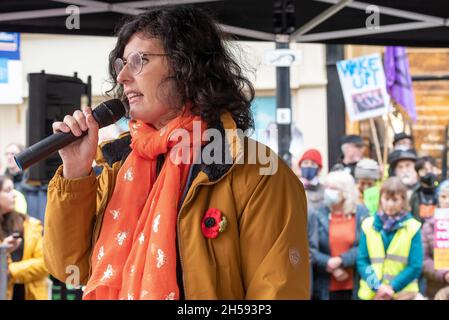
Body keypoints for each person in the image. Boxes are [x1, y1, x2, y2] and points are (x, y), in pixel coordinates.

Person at [43, 6, 310, 300]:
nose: (122, 77)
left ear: (187, 66)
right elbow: (68, 267)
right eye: (121, 64)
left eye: (138, 61)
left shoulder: (257, 172)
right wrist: (76, 172)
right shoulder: (118, 166)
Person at [356, 177, 423, 300]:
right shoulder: (367, 224)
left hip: (403, 294)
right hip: (372, 294)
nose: (390, 204)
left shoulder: (413, 227)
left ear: (403, 200)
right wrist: (377, 287)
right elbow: (362, 261)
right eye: (386, 199)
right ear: (380, 199)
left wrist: (391, 288)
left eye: (395, 200)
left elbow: (415, 265)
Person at [308, 170, 369, 300]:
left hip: (355, 284)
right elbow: (310, 249)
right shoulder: (318, 214)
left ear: (345, 192)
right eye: (327, 187)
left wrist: (341, 260)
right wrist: (329, 264)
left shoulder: (361, 214)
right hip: (325, 286)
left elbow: (366, 245)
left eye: (333, 188)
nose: (328, 192)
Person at [0, 175, 49, 300]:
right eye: (8, 190)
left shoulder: (31, 225)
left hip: (32, 295)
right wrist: (3, 251)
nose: (14, 194)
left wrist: (11, 271)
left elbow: (44, 264)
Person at [421, 179, 449, 299]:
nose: (447, 201)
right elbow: (424, 260)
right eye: (443, 196)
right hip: (435, 290)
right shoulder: (428, 226)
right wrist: (445, 274)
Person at [410, 156, 439, 222]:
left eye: (431, 168)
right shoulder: (414, 194)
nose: (429, 172)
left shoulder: (442, 191)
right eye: (425, 170)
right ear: (418, 173)